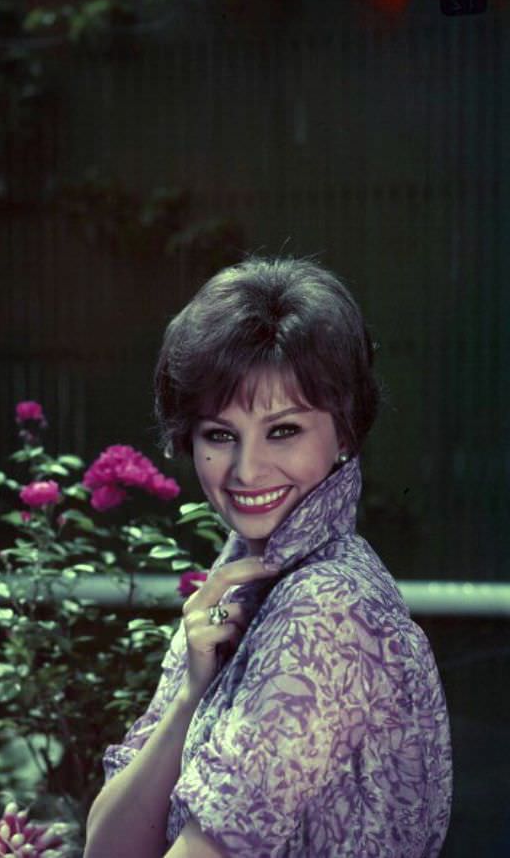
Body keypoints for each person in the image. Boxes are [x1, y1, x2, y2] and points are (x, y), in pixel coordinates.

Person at [83, 257, 453, 858]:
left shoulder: (326, 608)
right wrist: (190, 694)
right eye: (219, 435)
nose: (246, 470)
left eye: (283, 430)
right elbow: (107, 850)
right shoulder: (241, 586)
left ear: (346, 432)